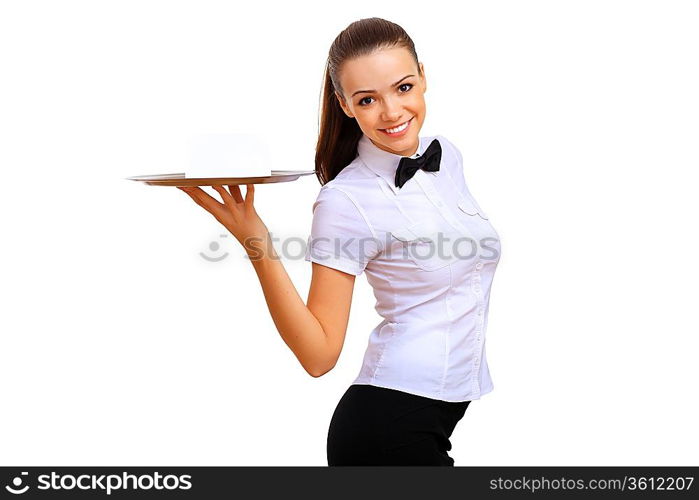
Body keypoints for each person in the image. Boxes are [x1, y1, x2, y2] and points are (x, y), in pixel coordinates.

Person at [177, 17, 501, 466]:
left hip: (436, 419)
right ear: (345, 105)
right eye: (368, 99)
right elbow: (318, 355)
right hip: (387, 429)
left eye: (403, 87)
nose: (391, 112)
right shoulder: (346, 200)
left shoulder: (447, 156)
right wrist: (257, 241)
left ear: (423, 77)